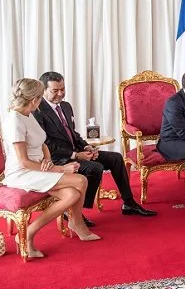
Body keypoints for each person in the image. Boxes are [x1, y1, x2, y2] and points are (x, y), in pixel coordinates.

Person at [34, 72, 156, 225]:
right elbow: (46, 144)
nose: (61, 93)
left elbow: (73, 133)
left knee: (116, 158)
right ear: (43, 90)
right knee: (95, 168)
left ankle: (129, 203)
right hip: (59, 158)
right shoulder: (37, 111)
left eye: (63, 89)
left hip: (77, 152)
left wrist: (86, 146)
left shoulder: (65, 106)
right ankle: (74, 211)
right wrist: (76, 155)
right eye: (55, 90)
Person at [2, 79, 100, 258]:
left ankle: (30, 231)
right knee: (80, 179)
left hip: (38, 167)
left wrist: (48, 160)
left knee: (72, 194)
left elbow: (42, 143)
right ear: (34, 99)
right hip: (22, 173)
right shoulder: (14, 121)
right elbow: (23, 161)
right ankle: (74, 224)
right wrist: (59, 169)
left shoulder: (28, 113)